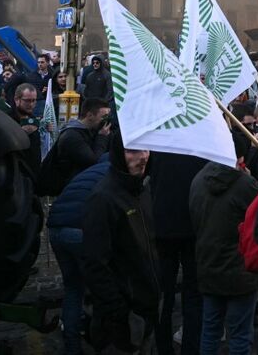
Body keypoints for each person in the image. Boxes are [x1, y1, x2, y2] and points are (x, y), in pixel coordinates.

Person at [83, 126, 160, 354]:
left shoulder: (144, 190)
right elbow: (95, 263)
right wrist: (119, 312)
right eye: (133, 150)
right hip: (122, 319)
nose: (143, 156)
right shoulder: (103, 198)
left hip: (147, 309)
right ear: (118, 154)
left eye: (146, 149)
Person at [189, 135, 258, 355]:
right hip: (240, 273)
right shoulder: (246, 185)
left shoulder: (198, 179)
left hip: (208, 266)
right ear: (240, 157)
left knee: (210, 331)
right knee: (240, 335)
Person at [48, 144, 114, 355]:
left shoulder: (90, 171)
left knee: (73, 288)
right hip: (79, 231)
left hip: (55, 229)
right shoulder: (113, 175)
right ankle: (102, 342)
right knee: (102, 288)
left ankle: (72, 346)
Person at [152, 150, 209, 355]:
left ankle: (164, 348)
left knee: (164, 294)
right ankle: (190, 348)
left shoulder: (159, 144)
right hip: (192, 226)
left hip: (163, 225)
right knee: (193, 295)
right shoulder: (201, 146)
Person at [49, 97, 111, 189]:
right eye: (103, 117)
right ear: (90, 115)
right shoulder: (72, 136)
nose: (105, 120)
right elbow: (94, 161)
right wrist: (102, 137)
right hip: (70, 185)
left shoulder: (91, 131)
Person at [9, 83, 43, 178]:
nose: (31, 104)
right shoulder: (7, 119)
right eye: (27, 101)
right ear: (17, 100)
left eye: (34, 100)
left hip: (33, 174)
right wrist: (20, 133)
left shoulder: (34, 119)